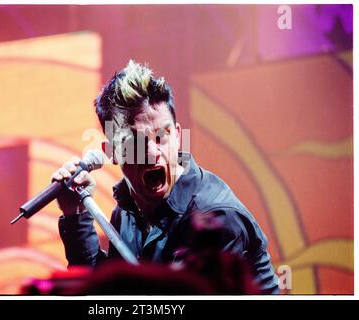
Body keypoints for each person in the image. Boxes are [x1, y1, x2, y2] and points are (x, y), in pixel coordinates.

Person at [51, 60, 279, 294]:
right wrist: (75, 213)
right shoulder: (128, 211)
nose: (151, 153)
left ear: (178, 136)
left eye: (162, 136)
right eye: (135, 142)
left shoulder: (216, 218)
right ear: (112, 152)